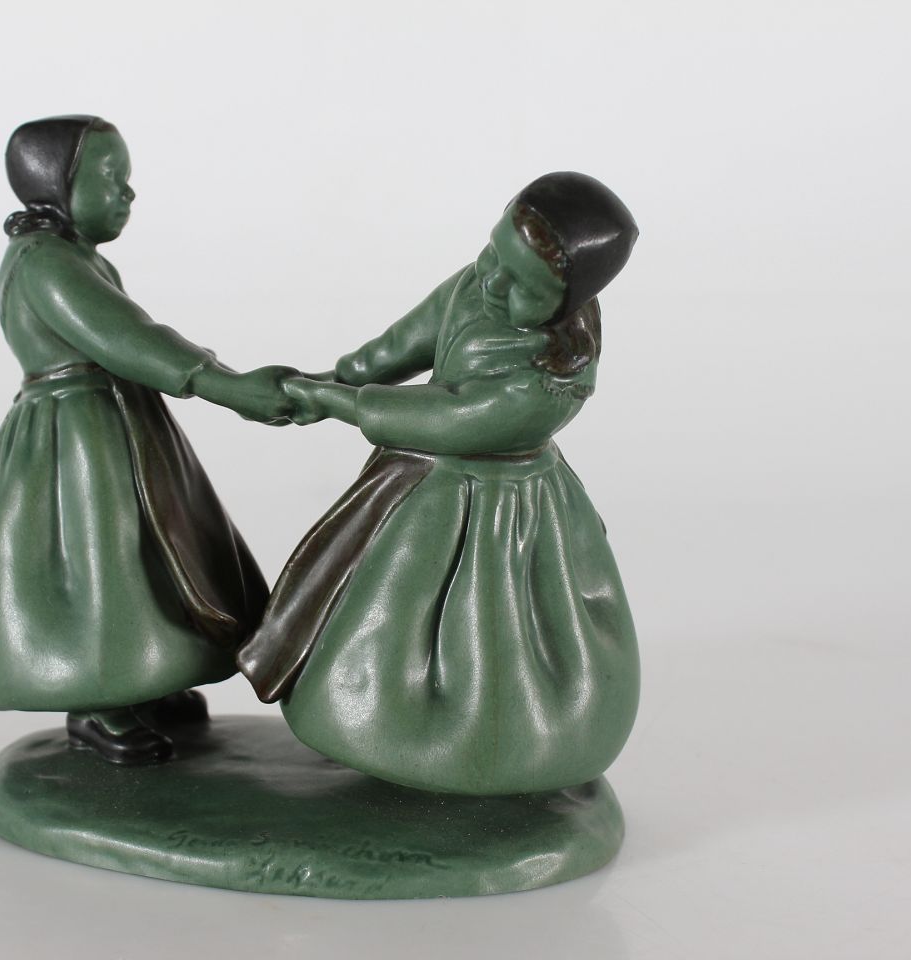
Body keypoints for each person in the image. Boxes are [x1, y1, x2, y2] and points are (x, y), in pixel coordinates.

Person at [237, 172, 641, 795]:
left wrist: (337, 402)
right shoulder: (477, 286)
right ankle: (371, 727)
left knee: (488, 634)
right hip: (420, 485)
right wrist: (338, 377)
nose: (493, 283)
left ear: (570, 302)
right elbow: (405, 341)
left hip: (502, 510)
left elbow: (448, 416)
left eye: (524, 286)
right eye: (492, 255)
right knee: (378, 608)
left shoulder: (550, 378)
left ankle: (486, 754)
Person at [0, 115, 291, 765]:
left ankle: (147, 679)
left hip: (118, 421)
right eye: (111, 177)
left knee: (151, 556)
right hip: (76, 438)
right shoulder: (45, 262)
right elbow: (125, 337)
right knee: (100, 561)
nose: (127, 192)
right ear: (58, 185)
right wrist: (225, 384)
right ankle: (100, 699)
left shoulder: (80, 256)